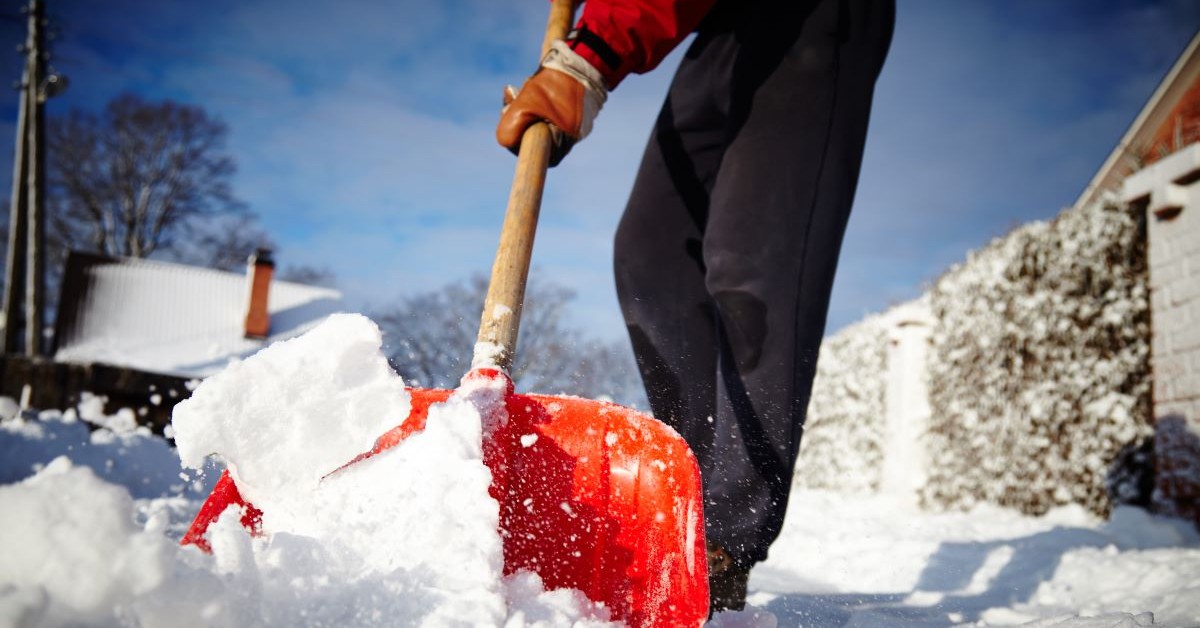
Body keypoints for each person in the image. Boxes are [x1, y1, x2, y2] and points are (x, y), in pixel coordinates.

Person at [497, 0, 894, 612]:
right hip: (723, 25)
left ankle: (723, 542)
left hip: (812, 17)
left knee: (750, 261)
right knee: (649, 255)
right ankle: (688, 499)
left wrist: (586, 59)